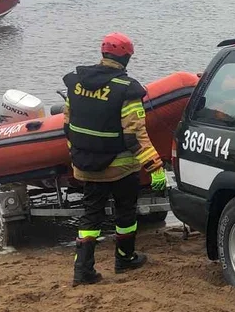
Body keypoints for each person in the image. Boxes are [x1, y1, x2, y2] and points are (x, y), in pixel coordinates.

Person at [63, 32, 168, 286]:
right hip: (120, 168)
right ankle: (125, 258)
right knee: (125, 214)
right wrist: (156, 168)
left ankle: (83, 270)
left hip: (86, 166)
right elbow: (135, 136)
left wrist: (76, 157)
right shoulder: (126, 90)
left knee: (91, 216)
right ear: (125, 58)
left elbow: (68, 126)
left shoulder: (76, 83)